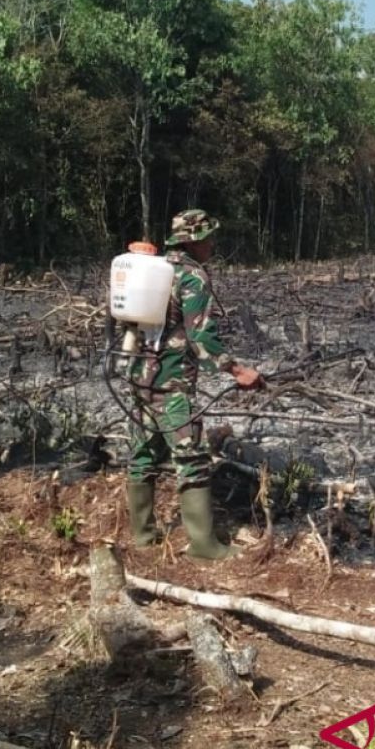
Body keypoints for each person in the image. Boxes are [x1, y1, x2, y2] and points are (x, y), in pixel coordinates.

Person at [126, 209, 262, 560]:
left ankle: (143, 537)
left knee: (142, 454)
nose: (212, 243)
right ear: (193, 240)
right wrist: (235, 370)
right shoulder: (191, 276)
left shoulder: (154, 269)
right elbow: (199, 334)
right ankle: (203, 546)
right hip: (172, 383)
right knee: (192, 457)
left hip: (140, 378)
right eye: (207, 237)